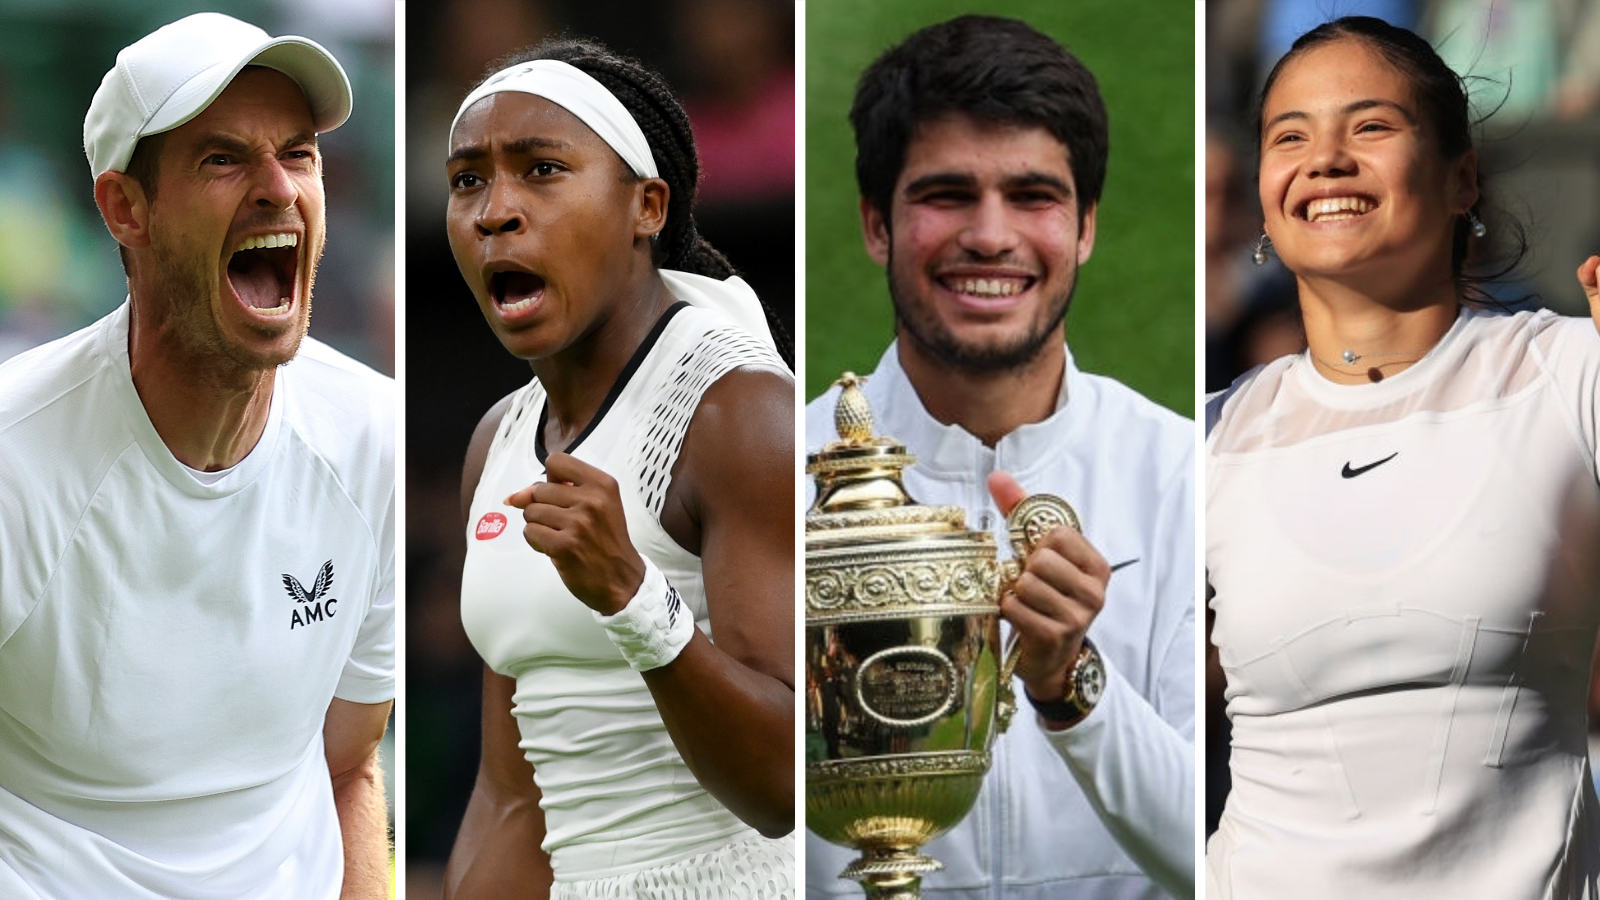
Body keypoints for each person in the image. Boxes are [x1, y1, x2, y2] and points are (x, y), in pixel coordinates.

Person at [0, 12, 394, 900]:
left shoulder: (375, 439)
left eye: (299, 154)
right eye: (223, 159)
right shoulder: (14, 460)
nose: (277, 189)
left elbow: (350, 770)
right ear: (124, 210)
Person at [1206, 16, 1600, 899]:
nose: (1328, 159)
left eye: (1371, 126)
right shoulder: (1212, 439)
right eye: (1290, 136)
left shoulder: (1570, 373)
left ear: (1464, 178)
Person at [804, 16, 1195, 900]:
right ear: (876, 225)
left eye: (1032, 196)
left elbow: (1212, 862)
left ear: (1086, 227)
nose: (990, 236)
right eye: (946, 194)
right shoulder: (776, 470)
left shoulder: (1180, 474)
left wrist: (1071, 685)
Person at [440, 40, 796, 900]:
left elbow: (786, 786)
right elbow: (513, 797)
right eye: (468, 181)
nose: (496, 211)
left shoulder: (738, 411)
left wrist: (635, 597)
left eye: (542, 170)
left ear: (647, 206)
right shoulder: (497, 439)